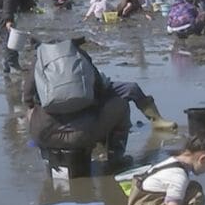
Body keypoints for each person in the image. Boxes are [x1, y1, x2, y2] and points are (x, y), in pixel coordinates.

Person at [22, 38, 132, 167]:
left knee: (30, 113)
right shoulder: (80, 55)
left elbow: (27, 98)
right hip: (83, 134)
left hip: (45, 136)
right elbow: (100, 89)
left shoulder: (39, 61)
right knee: (122, 106)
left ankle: (47, 157)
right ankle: (115, 159)